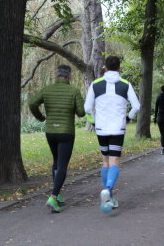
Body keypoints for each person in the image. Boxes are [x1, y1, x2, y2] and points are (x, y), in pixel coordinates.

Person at [84, 56, 140, 214]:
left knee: (105, 161)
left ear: (105, 68)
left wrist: (93, 122)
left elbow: (87, 108)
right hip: (118, 128)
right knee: (115, 160)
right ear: (119, 68)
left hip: (101, 128)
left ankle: (108, 194)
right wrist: (128, 118)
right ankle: (108, 190)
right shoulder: (125, 84)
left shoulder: (95, 84)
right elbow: (136, 106)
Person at [29, 64, 85, 213]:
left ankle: (57, 193)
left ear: (56, 75)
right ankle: (53, 197)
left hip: (51, 132)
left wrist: (41, 117)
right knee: (62, 165)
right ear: (69, 76)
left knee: (56, 161)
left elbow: (32, 103)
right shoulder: (74, 91)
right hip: (66, 132)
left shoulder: (47, 90)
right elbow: (81, 113)